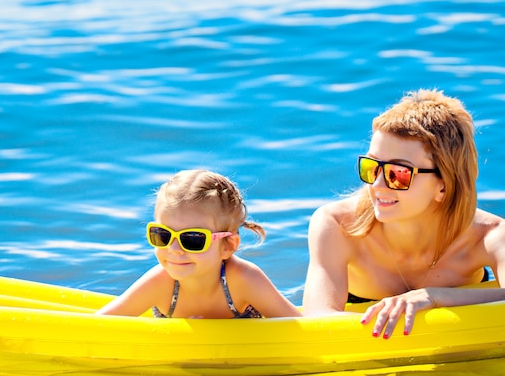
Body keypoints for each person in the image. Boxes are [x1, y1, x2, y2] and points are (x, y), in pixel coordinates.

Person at [302, 89, 505, 338]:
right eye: (372, 167)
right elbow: (317, 320)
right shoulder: (337, 225)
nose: (376, 185)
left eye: (398, 174)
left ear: (444, 185)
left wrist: (437, 296)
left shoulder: (490, 235)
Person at [96, 169, 301, 318]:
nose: (174, 250)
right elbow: (99, 327)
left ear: (228, 245)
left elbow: (302, 332)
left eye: (192, 239)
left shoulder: (243, 279)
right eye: (162, 235)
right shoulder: (160, 282)